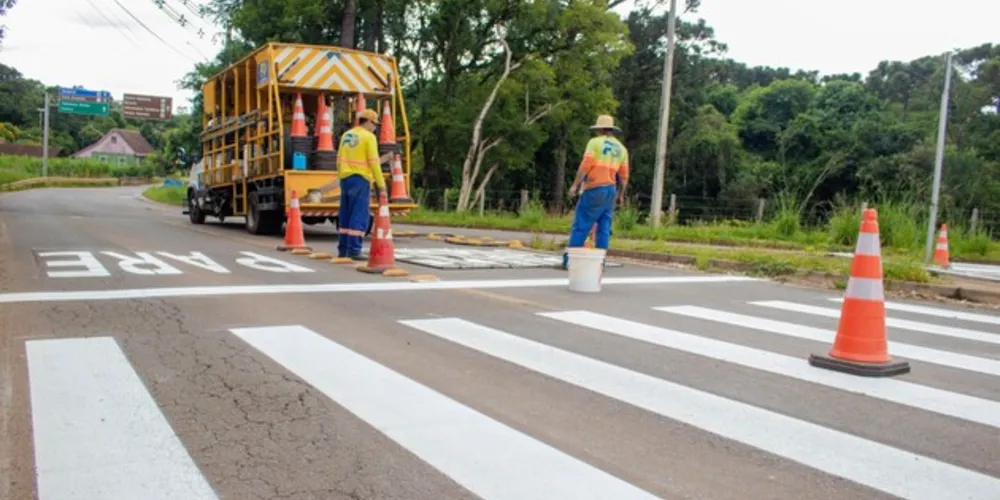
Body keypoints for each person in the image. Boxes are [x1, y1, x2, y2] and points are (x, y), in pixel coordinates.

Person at [562, 114, 629, 269]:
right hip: (611, 190)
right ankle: (600, 261)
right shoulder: (621, 149)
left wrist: (575, 185)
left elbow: (585, 165)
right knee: (604, 227)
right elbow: (624, 176)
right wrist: (620, 195)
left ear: (600, 129)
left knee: (582, 223)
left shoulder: (595, 143)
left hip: (594, 187)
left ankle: (570, 260)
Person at [336, 108, 393, 260]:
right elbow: (374, 163)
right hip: (360, 179)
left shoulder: (346, 135)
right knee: (359, 214)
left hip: (345, 178)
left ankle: (343, 249)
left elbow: (339, 158)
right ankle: (354, 250)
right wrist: (381, 185)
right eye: (374, 124)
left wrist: (341, 175)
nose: (375, 128)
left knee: (345, 213)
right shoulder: (369, 137)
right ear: (367, 122)